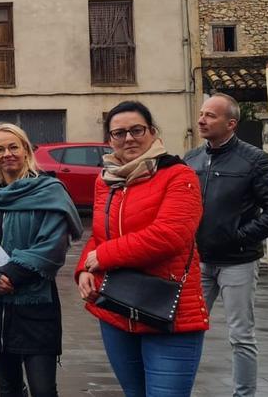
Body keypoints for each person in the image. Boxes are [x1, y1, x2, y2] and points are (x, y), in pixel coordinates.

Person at [75, 101, 208, 397]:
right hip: (117, 307)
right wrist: (84, 266)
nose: (129, 138)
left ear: (152, 132)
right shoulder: (107, 179)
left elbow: (170, 235)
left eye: (137, 130)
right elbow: (99, 234)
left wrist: (103, 257)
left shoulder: (178, 175)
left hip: (168, 311)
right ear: (110, 140)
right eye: (119, 133)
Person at [184, 93, 268, 397]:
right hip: (199, 261)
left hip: (238, 263)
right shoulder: (191, 160)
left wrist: (239, 236)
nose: (202, 119)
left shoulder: (255, 161)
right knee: (184, 330)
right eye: (202, 114)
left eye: (211, 115)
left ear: (231, 123)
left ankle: (243, 395)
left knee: (241, 336)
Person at [0, 123, 82, 397]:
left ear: (26, 150)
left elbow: (52, 247)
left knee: (42, 389)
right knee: (8, 388)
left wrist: (11, 275)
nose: (7, 154)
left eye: (13, 146)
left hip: (35, 308)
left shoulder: (49, 190)